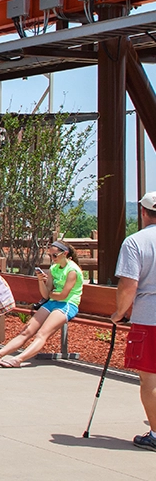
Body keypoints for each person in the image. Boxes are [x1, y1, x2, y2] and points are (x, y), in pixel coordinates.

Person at [0, 240, 83, 368]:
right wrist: (41, 281)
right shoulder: (54, 268)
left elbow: (63, 295)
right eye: (50, 256)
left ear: (65, 253)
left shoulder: (72, 270)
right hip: (52, 302)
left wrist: (51, 293)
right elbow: (46, 294)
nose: (52, 258)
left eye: (55, 256)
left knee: (42, 334)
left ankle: (18, 359)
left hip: (67, 305)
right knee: (26, 331)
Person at [113, 190, 156, 451]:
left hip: (149, 317)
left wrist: (119, 312)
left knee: (150, 379)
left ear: (142, 212)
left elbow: (129, 285)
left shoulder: (136, 242)